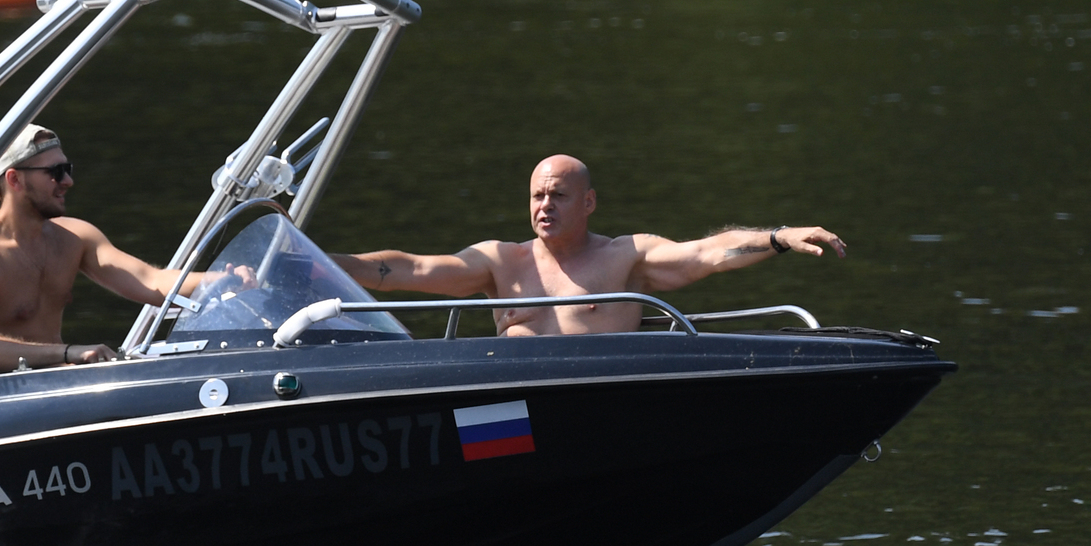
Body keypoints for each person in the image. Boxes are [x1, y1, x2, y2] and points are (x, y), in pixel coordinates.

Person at [331, 154, 846, 336]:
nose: (544, 206)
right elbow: (410, 270)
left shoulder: (627, 257)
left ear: (589, 202)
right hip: (515, 406)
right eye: (537, 196)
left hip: (596, 398)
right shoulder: (500, 261)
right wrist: (314, 264)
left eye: (558, 195)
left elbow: (704, 253)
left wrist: (778, 237)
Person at [0, 125, 214, 376]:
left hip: (60, 386)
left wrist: (225, 280)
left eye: (68, 169)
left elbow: (150, 281)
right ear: (14, 180)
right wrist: (70, 353)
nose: (68, 181)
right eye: (56, 172)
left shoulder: (75, 237)